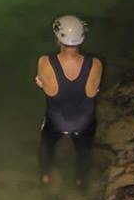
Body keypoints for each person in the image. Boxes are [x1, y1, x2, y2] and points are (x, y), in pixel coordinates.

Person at [36, 14, 102, 188]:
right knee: (84, 153)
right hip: (84, 124)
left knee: (46, 146)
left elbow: (46, 86)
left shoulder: (45, 62)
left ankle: (45, 176)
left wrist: (42, 83)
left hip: (56, 123)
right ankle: (81, 180)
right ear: (82, 38)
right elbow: (94, 91)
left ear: (58, 37)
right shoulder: (95, 64)